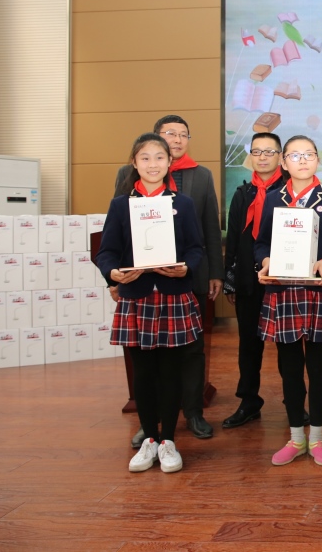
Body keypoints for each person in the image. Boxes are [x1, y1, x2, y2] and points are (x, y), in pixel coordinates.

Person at [97, 133, 204, 474]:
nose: (153, 164)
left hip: (173, 294)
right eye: (145, 158)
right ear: (134, 162)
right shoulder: (121, 205)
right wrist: (112, 273)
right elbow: (107, 252)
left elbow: (196, 249)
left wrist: (186, 267)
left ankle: (168, 439)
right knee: (142, 373)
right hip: (137, 296)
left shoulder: (182, 204)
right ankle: (150, 439)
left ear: (170, 162)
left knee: (171, 371)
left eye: (159, 157)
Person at [114, 115, 222, 445]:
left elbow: (209, 228)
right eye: (169, 133)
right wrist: (114, 278)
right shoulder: (127, 176)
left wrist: (214, 272)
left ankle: (193, 412)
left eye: (183, 134)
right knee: (147, 358)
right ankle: (152, 423)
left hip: (187, 278)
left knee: (191, 351)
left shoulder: (201, 176)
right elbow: (118, 232)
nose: (176, 139)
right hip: (140, 284)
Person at [254, 135, 322, 467]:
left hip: (318, 292)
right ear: (284, 162)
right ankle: (296, 437)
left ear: (318, 160)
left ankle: (317, 438)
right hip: (283, 291)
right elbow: (261, 243)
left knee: (318, 365)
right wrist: (265, 261)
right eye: (294, 155)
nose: (302, 160)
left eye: (309, 154)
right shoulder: (273, 199)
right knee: (289, 368)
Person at [222, 133, 306, 429]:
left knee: (289, 345)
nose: (262, 157)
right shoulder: (242, 193)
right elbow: (233, 240)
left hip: (284, 280)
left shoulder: (293, 190)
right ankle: (249, 401)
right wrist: (230, 280)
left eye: (269, 152)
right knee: (249, 344)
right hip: (248, 279)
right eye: (256, 151)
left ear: (281, 157)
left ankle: (294, 403)